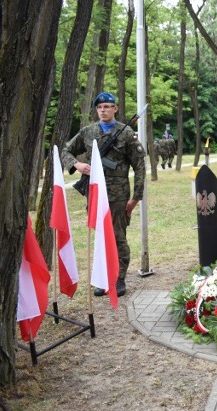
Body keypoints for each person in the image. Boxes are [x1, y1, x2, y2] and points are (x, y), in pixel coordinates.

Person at [62, 92, 146, 298]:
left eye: (108, 106)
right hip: (95, 195)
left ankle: (118, 279)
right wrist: (77, 165)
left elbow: (140, 166)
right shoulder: (88, 132)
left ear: (115, 109)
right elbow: (66, 151)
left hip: (118, 197)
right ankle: (103, 278)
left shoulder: (126, 134)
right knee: (100, 239)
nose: (103, 110)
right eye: (100, 107)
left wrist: (136, 197)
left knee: (117, 238)